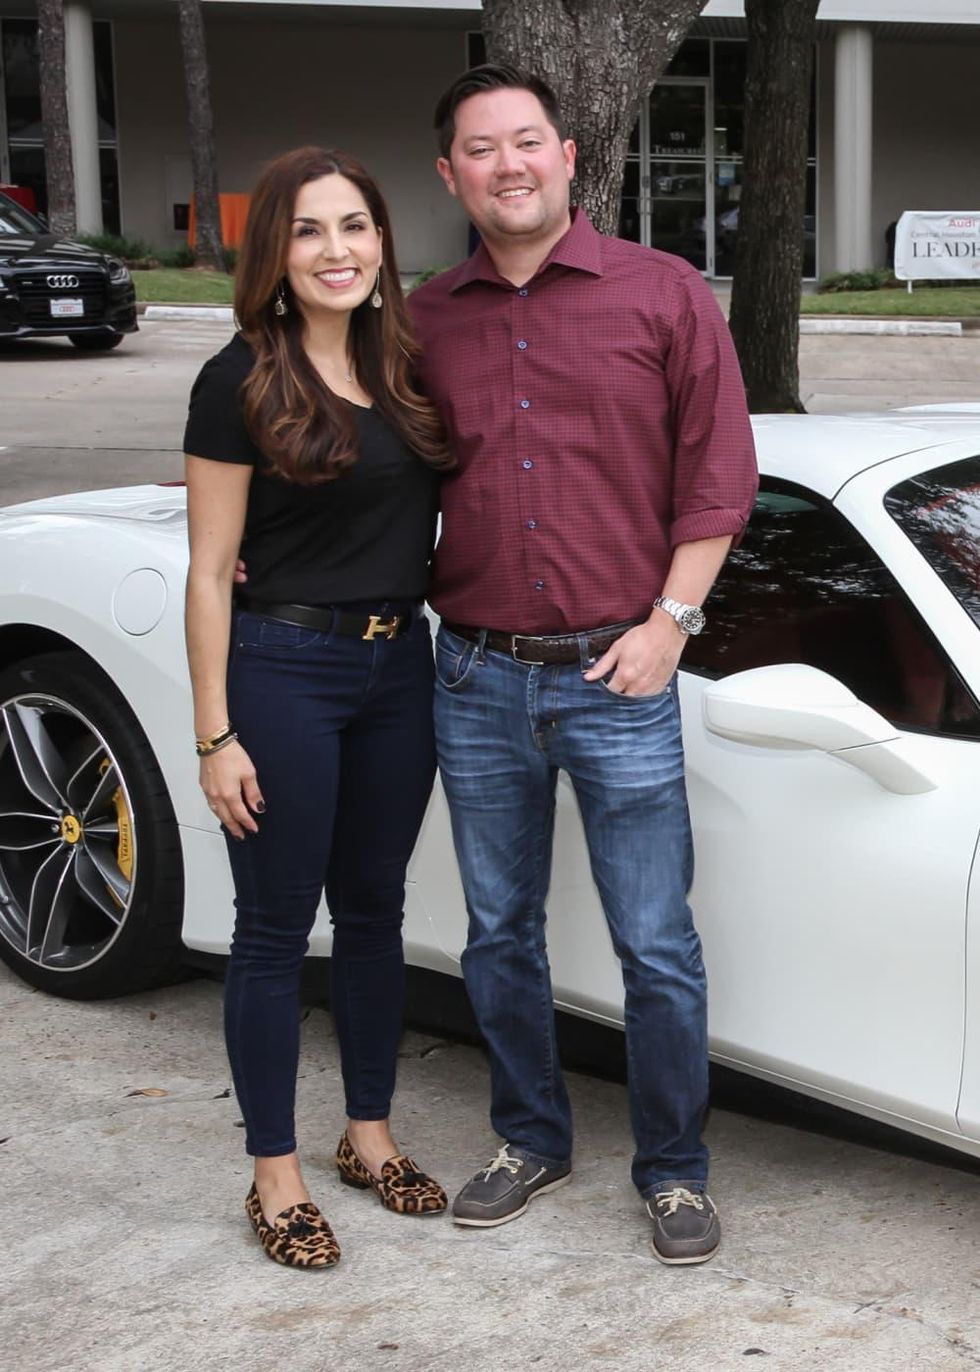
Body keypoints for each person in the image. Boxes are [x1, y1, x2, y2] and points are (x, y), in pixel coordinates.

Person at [408, 65, 758, 1265]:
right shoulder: (424, 317)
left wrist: (670, 623)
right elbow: (370, 472)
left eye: (525, 143)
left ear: (567, 156)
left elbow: (718, 478)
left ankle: (671, 1170)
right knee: (497, 932)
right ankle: (530, 1137)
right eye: (479, 149)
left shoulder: (661, 294)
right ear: (448, 173)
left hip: (620, 675)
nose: (506, 165)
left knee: (653, 939)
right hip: (474, 675)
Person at [183, 146, 452, 1269]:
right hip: (285, 669)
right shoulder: (236, 377)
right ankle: (274, 1171)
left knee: (378, 914)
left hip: (400, 674)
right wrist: (215, 731)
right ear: (274, 257)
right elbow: (209, 568)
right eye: (307, 231)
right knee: (274, 929)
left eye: (354, 225)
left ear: (382, 240)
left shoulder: (407, 367)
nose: (336, 249)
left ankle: (368, 1134)